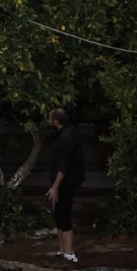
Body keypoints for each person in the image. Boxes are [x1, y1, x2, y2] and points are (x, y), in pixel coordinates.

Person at [46, 108, 85, 263]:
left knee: (64, 215)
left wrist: (55, 186)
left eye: (50, 118)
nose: (49, 121)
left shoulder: (66, 137)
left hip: (66, 183)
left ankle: (69, 252)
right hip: (65, 182)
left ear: (55, 121)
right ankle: (62, 250)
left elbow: (64, 165)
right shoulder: (68, 132)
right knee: (59, 215)